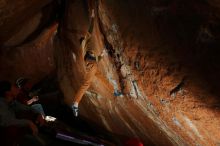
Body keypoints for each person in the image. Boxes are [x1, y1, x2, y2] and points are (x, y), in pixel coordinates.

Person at [71, 8, 122, 117]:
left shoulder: (87, 47)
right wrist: (93, 17)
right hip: (91, 64)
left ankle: (114, 91)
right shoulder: (84, 42)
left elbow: (96, 59)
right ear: (82, 41)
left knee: (102, 77)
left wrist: (102, 55)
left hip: (93, 63)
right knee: (86, 84)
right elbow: (90, 29)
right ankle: (75, 103)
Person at [0, 80, 44, 146]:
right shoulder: (1, 104)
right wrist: (28, 122)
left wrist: (38, 114)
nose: (18, 89)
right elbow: (7, 121)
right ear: (8, 92)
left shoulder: (12, 101)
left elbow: (27, 108)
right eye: (14, 87)